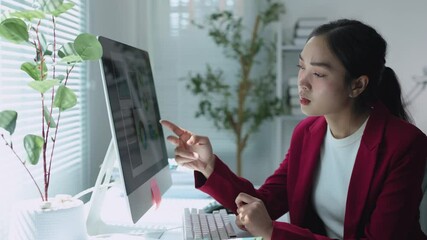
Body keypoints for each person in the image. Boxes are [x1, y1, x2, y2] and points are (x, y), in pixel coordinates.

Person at [160, 19, 427, 240]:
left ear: (357, 85)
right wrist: (208, 165)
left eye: (318, 74)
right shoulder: (308, 132)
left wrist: (272, 231)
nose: (302, 81)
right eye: (302, 67)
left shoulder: (404, 145)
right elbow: (262, 203)